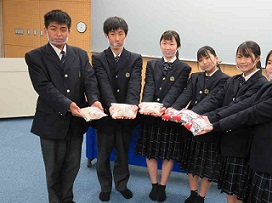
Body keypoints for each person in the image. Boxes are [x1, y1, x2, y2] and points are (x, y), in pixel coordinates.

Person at [198, 46, 272, 203]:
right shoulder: (269, 86)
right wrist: (209, 118)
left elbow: (252, 113)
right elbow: (242, 106)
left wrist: (216, 125)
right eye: (270, 62)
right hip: (258, 157)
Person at [25, 9, 102, 203]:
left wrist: (94, 100)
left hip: (76, 123)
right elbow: (43, 87)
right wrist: (68, 105)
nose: (59, 34)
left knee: (72, 166)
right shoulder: (35, 56)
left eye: (63, 29)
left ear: (69, 31)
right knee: (53, 168)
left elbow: (90, 81)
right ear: (45, 30)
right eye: (54, 29)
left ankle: (67, 199)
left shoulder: (80, 54)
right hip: (50, 121)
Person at [191, 41, 268, 203]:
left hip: (244, 143)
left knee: (240, 189)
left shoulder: (262, 84)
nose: (242, 61)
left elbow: (237, 107)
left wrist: (209, 119)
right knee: (229, 187)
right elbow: (215, 99)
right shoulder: (233, 80)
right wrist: (192, 113)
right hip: (226, 141)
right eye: (239, 56)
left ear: (258, 59)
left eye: (247, 56)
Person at [136, 30, 191, 202]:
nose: (167, 47)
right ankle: (154, 184)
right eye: (164, 43)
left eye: (171, 44)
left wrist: (163, 107)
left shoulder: (184, 68)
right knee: (150, 153)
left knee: (168, 154)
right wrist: (146, 105)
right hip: (151, 116)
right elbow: (149, 86)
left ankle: (162, 185)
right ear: (160, 44)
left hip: (168, 116)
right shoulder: (152, 65)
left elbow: (176, 90)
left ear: (178, 46)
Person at [91, 16, 143, 201]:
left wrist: (129, 107)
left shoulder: (135, 58)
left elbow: (135, 84)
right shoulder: (97, 58)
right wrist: (113, 107)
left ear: (126, 35)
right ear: (106, 35)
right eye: (112, 34)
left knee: (122, 152)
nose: (117, 38)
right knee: (103, 154)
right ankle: (105, 187)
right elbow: (103, 83)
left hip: (126, 116)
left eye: (120, 34)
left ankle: (121, 184)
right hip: (105, 115)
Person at [170, 46, 229, 203]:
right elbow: (185, 95)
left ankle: (202, 196)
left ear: (216, 58)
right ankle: (193, 192)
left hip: (207, 127)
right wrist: (173, 110)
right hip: (190, 127)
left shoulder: (225, 79)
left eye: (208, 58)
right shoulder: (195, 77)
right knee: (191, 161)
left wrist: (190, 113)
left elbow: (213, 101)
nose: (204, 62)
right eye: (201, 60)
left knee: (205, 165)